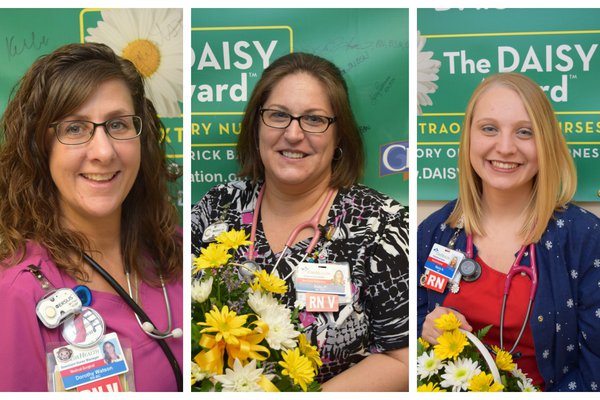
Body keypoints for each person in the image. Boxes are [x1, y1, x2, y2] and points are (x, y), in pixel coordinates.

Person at [192, 52, 409, 391]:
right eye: (278, 115)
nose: (293, 134)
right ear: (256, 126)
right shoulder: (217, 207)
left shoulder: (383, 226)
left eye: (314, 119)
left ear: (339, 136)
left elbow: (402, 358)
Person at [0, 43, 183, 391]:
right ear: (41, 148)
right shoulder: (17, 293)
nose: (103, 151)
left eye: (117, 124)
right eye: (75, 128)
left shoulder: (174, 251)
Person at [417, 72, 600, 391]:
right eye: (489, 128)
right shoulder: (436, 232)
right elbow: (403, 335)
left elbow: (595, 369)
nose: (505, 147)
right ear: (469, 137)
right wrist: (425, 328)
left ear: (546, 142)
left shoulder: (584, 238)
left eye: (524, 132)